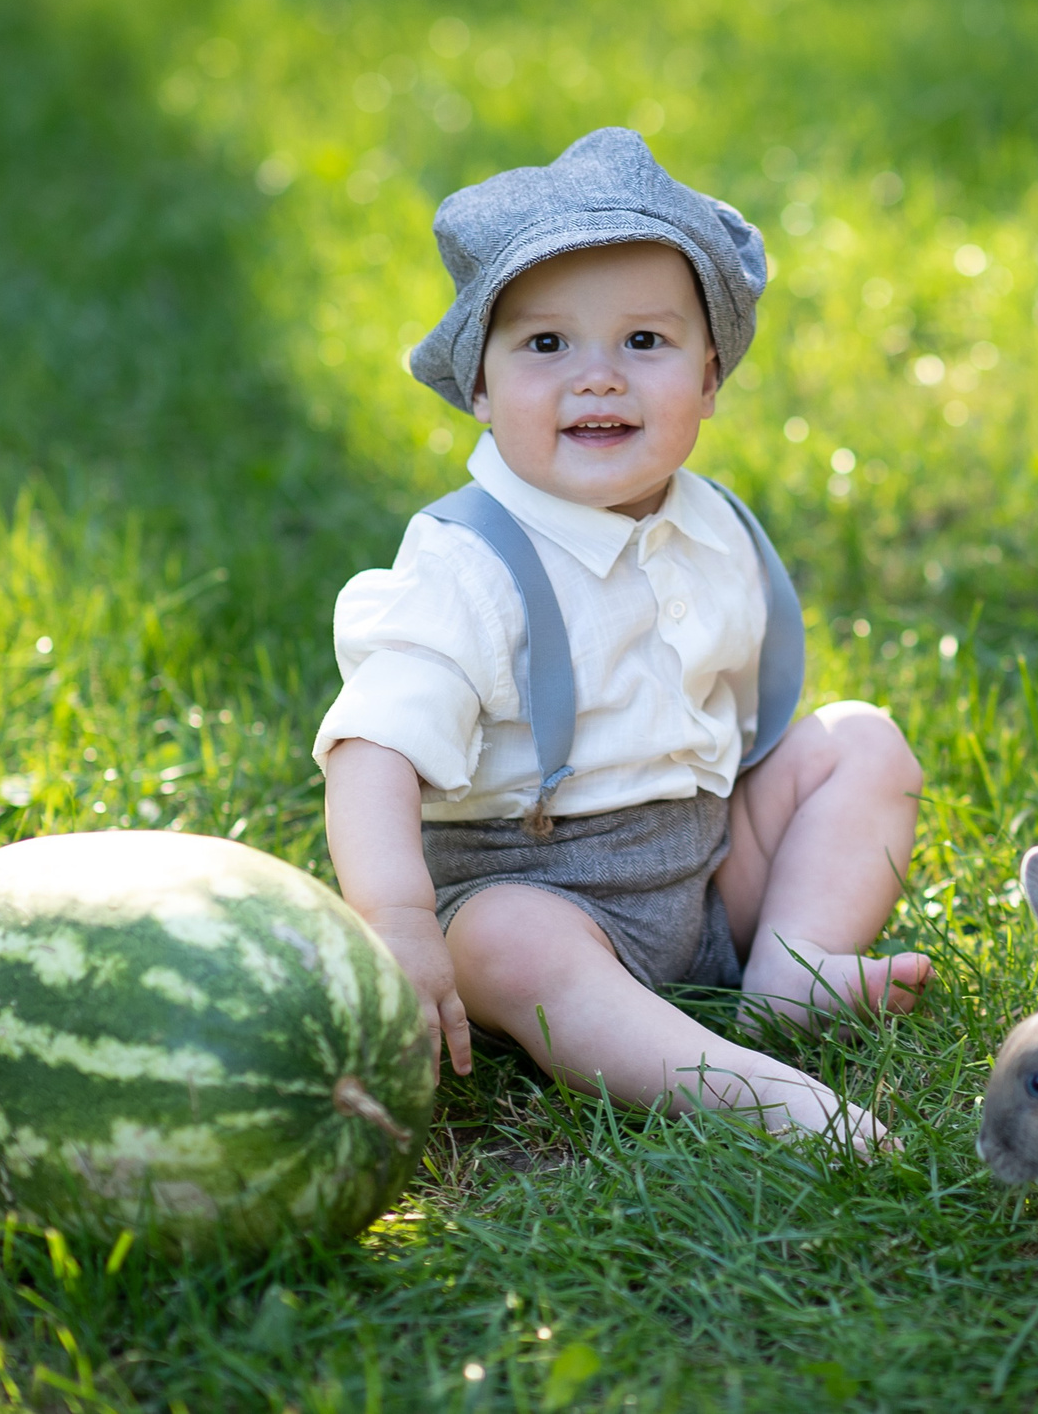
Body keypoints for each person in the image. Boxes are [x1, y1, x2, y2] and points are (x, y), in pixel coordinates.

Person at [316, 128, 930, 1150]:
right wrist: (397, 918)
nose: (596, 378)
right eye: (546, 344)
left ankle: (789, 970)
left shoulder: (713, 524)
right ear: (479, 384)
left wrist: (751, 840)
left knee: (862, 744)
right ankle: (751, 1089)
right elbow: (371, 749)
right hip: (532, 880)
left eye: (642, 343)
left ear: (710, 377)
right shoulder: (464, 565)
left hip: (700, 864)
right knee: (511, 943)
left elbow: (743, 734)